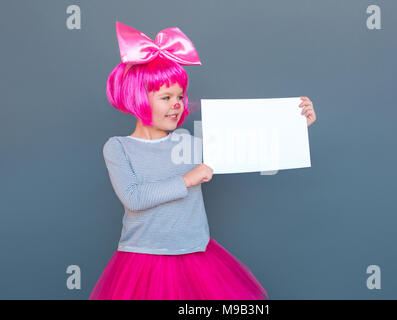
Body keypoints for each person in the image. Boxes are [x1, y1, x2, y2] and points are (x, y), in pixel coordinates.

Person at [90, 21, 315, 300]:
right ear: (138, 98)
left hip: (195, 256)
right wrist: (188, 179)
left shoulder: (191, 144)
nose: (177, 104)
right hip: (143, 258)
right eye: (166, 97)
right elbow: (134, 198)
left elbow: (250, 147)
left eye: (180, 96)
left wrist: (294, 125)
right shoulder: (118, 148)